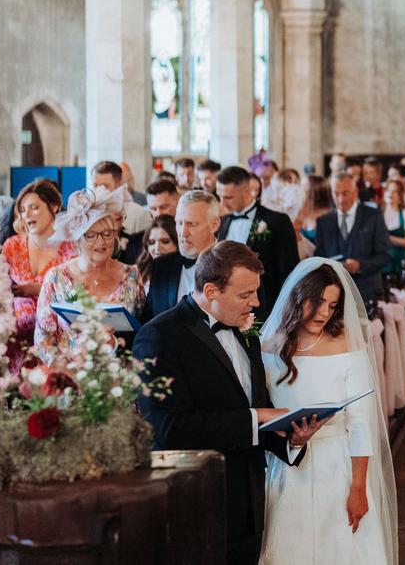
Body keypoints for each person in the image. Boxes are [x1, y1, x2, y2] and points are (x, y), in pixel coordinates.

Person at [134, 242, 325, 565]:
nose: (257, 303)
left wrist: (290, 439)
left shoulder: (245, 329)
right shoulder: (159, 337)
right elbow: (171, 430)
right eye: (245, 294)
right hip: (196, 500)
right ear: (210, 290)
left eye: (256, 292)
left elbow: (254, 404)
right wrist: (257, 417)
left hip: (248, 498)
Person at [259, 258, 398, 564]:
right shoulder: (267, 346)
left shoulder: (346, 345)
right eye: (318, 302)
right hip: (286, 463)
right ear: (298, 296)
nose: (324, 313)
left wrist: (359, 486)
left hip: (338, 466)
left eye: (332, 306)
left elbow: (361, 422)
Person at [35, 187, 144, 363]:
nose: (101, 242)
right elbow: (43, 339)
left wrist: (115, 343)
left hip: (120, 377)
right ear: (77, 240)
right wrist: (67, 369)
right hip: (70, 378)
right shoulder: (56, 278)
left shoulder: (131, 276)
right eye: (91, 236)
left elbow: (142, 332)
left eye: (107, 234)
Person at [2, 179, 75, 366]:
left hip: (57, 346)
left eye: (34, 207)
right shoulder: (12, 246)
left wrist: (41, 290)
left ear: (54, 206)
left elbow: (80, 296)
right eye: (23, 210)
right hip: (16, 344)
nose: (27, 215)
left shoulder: (72, 249)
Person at [216, 166, 300, 319]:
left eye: (228, 197)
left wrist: (279, 312)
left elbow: (289, 271)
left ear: (247, 191)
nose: (222, 203)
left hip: (266, 308)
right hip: (225, 310)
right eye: (220, 197)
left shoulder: (277, 221)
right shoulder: (220, 222)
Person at [141, 189, 222, 322]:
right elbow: (148, 320)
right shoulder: (161, 266)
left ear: (214, 225)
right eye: (179, 223)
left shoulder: (235, 266)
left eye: (191, 224)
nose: (183, 233)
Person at [315, 173, 391, 300]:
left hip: (367, 293)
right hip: (334, 295)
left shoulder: (373, 216)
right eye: (336, 193)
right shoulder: (323, 221)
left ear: (355, 192)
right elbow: (320, 258)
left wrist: (360, 265)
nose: (340, 199)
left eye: (345, 193)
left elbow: (384, 256)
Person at [92, 160, 154, 265]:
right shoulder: (91, 214)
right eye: (96, 186)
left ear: (118, 185)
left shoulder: (139, 214)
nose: (99, 191)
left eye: (105, 186)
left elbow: (146, 254)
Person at [296, 175, 335, 259]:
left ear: (314, 191)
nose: (298, 190)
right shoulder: (299, 211)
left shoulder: (329, 215)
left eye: (303, 187)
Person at [381, 179, 405, 274]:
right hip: (382, 265)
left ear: (400, 196)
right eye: (388, 190)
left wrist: (387, 238)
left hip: (400, 264)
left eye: (394, 191)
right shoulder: (378, 214)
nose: (390, 194)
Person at [137, 216, 178, 289]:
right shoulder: (134, 272)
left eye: (165, 241)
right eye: (152, 242)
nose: (157, 248)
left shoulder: (187, 273)